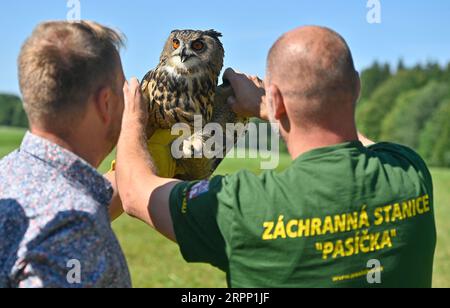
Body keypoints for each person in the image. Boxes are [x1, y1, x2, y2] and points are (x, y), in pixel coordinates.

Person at [116, 26, 436, 287]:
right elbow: (366, 145)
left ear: (277, 100)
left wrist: (134, 116)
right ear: (357, 88)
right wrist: (270, 105)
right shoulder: (409, 171)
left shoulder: (243, 205)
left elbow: (133, 191)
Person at [0, 21, 131, 288]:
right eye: (123, 89)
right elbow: (72, 208)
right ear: (106, 103)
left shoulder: (10, 175)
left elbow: (72, 194)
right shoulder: (76, 228)